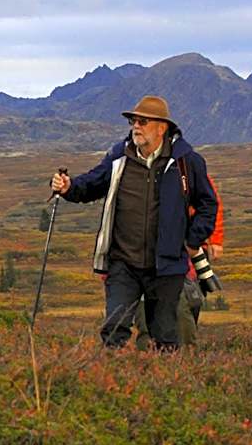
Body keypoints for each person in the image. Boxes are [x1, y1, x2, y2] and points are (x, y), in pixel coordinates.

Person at [51, 95, 217, 350]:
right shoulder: (119, 157)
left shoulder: (188, 162)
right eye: (133, 121)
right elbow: (92, 184)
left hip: (167, 266)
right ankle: (110, 380)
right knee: (115, 327)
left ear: (162, 127)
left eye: (142, 121)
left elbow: (208, 204)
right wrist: (69, 187)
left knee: (165, 334)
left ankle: (165, 386)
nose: (135, 127)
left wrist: (192, 240)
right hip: (123, 262)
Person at [134, 175, 224, 350]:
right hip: (143, 261)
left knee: (184, 312)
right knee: (152, 319)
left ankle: (177, 366)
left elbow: (210, 203)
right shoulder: (127, 167)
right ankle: (157, 367)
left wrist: (214, 238)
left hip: (183, 260)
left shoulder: (184, 166)